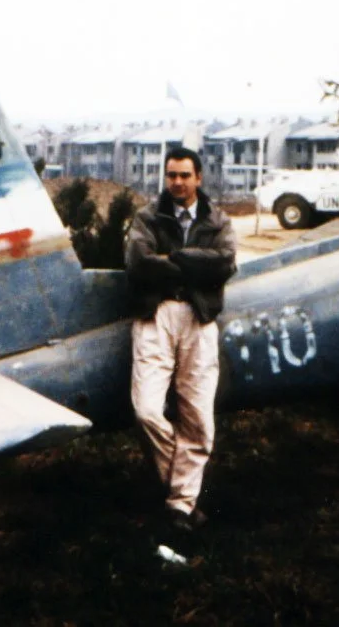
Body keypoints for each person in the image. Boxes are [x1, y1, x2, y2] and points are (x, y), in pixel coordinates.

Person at [124, 146, 237, 531]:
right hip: (156, 317)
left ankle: (179, 508)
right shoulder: (146, 217)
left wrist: (173, 258)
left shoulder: (217, 220)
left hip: (199, 318)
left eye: (185, 176)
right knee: (147, 411)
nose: (177, 182)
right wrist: (191, 263)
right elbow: (137, 263)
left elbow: (224, 264)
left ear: (198, 179)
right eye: (171, 175)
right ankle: (185, 497)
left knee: (198, 418)